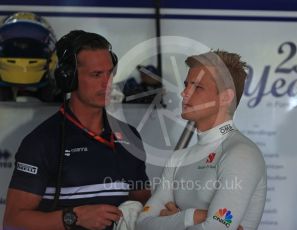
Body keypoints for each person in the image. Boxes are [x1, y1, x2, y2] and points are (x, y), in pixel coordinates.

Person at [3, 30, 150, 230]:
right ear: (69, 78)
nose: (107, 83)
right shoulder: (41, 142)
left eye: (110, 73)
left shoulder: (129, 136)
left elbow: (144, 204)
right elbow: (13, 220)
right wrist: (74, 217)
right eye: (96, 74)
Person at [136, 50, 267, 230]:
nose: (184, 93)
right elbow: (142, 224)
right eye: (186, 85)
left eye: (197, 87)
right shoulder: (179, 158)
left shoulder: (241, 153)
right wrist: (194, 216)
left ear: (226, 97)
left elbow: (218, 227)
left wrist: (174, 220)